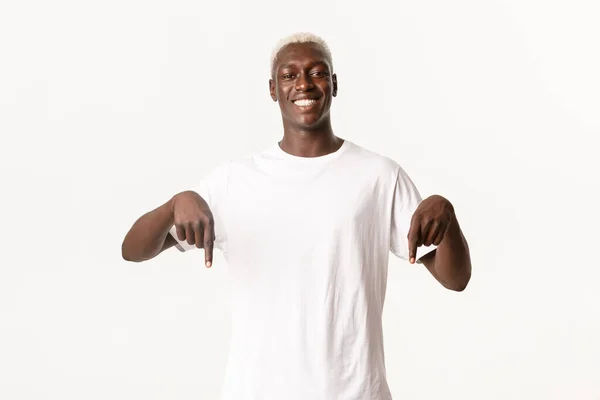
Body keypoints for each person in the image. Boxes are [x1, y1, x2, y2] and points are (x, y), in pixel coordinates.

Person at [122, 32, 472, 400]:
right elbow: (133, 249)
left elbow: (456, 278)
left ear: (334, 85)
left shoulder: (378, 176)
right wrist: (174, 204)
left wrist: (447, 216)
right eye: (289, 75)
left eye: (317, 72)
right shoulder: (234, 181)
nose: (303, 83)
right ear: (273, 90)